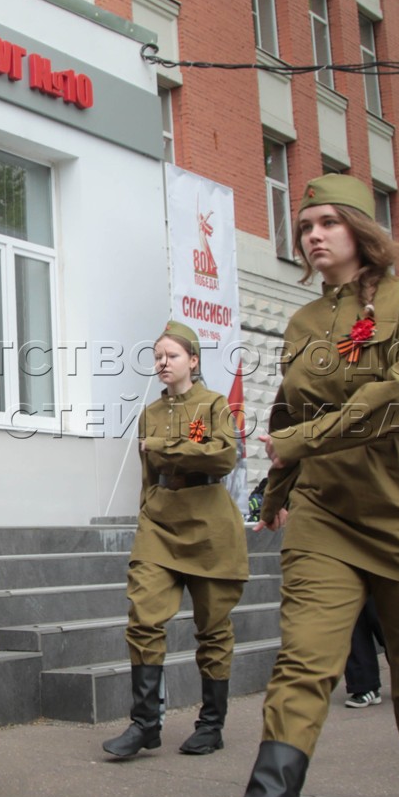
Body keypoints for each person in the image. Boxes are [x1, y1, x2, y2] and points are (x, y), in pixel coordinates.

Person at [183, 173, 399, 797]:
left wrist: (303, 441)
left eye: (328, 223)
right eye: (305, 225)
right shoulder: (306, 319)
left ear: (361, 233)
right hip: (328, 512)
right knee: (303, 664)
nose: (312, 235)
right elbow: (288, 410)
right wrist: (275, 492)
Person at [103, 320, 249, 758]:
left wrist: (166, 449)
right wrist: (146, 512)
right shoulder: (149, 413)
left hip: (209, 525)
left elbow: (224, 456)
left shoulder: (213, 404)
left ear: (193, 361)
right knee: (143, 618)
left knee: (213, 629)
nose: (163, 363)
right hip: (160, 524)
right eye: (158, 357)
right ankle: (145, 724)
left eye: (172, 356)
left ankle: (211, 725)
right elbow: (147, 476)